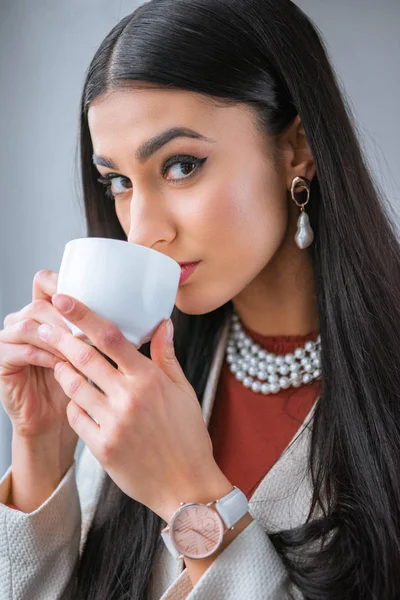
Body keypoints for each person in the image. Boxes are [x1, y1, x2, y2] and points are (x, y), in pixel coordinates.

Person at [1, 0, 399, 598]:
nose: (141, 231)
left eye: (182, 165)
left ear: (298, 148)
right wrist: (43, 450)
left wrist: (190, 495)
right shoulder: (147, 387)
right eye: (119, 182)